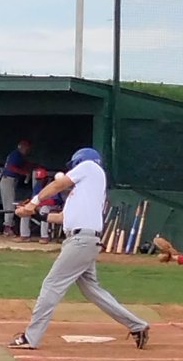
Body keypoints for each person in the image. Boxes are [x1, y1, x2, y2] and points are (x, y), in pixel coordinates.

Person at [9, 147, 150, 350]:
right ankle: (138, 325)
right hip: (82, 241)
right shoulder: (83, 193)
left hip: (81, 241)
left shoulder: (90, 167)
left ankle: (31, 338)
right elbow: (62, 218)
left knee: (52, 284)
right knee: (92, 290)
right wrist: (32, 213)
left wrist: (34, 201)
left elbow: (59, 183)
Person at [18, 168, 65, 243]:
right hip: (40, 205)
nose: (39, 181)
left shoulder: (52, 184)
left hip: (55, 206)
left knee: (44, 209)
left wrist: (36, 204)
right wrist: (28, 204)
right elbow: (34, 198)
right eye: (38, 179)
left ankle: (44, 236)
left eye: (41, 179)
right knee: (26, 210)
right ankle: (24, 235)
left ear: (46, 178)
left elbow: (52, 201)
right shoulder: (38, 184)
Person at [0, 139, 33, 237]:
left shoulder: (19, 156)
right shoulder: (16, 154)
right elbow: (11, 167)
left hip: (10, 180)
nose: (27, 150)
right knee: (9, 204)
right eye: (26, 147)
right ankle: (7, 227)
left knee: (9, 204)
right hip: (8, 180)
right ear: (21, 146)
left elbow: (25, 164)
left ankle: (8, 227)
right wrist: (24, 173)